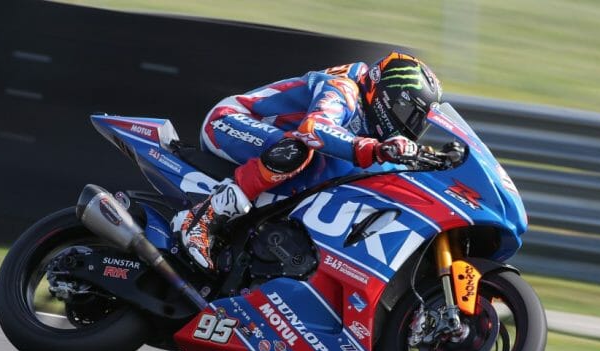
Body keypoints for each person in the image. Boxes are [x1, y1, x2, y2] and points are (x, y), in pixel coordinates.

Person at [181, 51, 443, 271]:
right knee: (298, 149)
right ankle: (201, 219)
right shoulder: (343, 88)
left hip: (275, 152)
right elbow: (314, 128)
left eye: (417, 124)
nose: (408, 128)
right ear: (385, 92)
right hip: (230, 122)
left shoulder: (369, 124)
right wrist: (374, 148)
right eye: (407, 114)